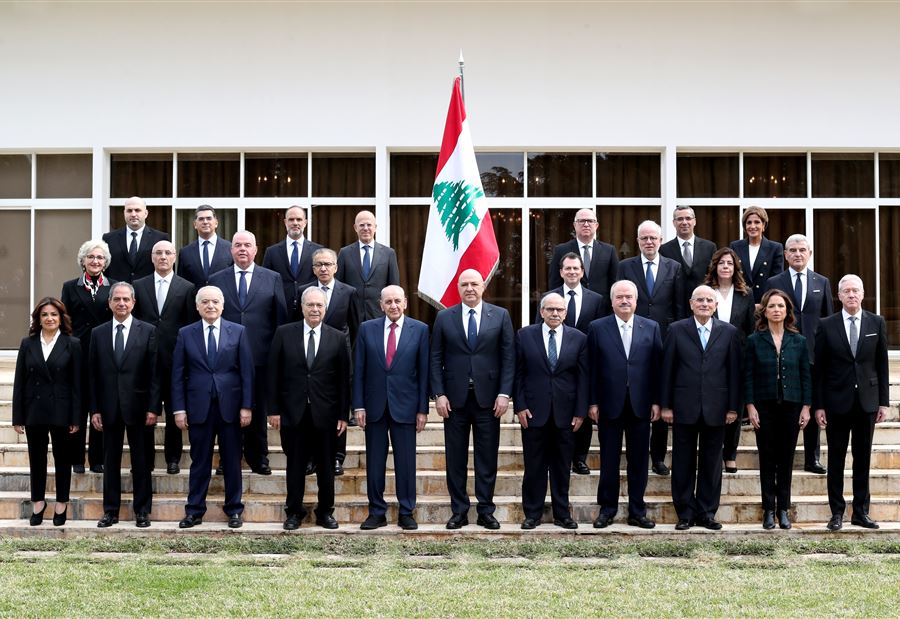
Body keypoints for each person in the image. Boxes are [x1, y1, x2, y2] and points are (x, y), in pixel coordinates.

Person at [430, 270, 515, 530]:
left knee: (486, 458)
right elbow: (435, 358)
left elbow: (508, 357)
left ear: (483, 286)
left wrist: (504, 393)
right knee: (455, 459)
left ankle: (486, 510)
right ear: (458, 288)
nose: (469, 288)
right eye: (464, 284)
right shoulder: (444, 317)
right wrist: (439, 394)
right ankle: (459, 511)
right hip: (453, 401)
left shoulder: (500, 316)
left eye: (474, 284)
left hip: (488, 400)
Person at [267, 287, 350, 530]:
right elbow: (273, 374)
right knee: (295, 465)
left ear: (325, 308)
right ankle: (294, 512)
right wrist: (273, 410)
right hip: (293, 413)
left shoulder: (337, 337)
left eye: (319, 305)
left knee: (326, 467)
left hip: (326, 414)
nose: (315, 309)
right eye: (310, 305)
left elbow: (344, 380)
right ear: (302, 307)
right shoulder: (284, 333)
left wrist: (343, 415)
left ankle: (325, 512)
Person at [172, 286, 254, 529]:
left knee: (232, 461)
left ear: (223, 305)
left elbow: (247, 372)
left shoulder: (238, 331)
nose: (210, 306)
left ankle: (234, 510)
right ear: (197, 307)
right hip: (198, 408)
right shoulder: (185, 334)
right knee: (199, 462)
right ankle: (194, 511)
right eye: (205, 302)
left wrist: (247, 406)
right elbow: (178, 375)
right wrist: (179, 409)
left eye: (215, 301)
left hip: (231, 408)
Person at [660, 285, 741, 530]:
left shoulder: (729, 332)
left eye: (709, 300)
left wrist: (733, 408)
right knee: (682, 461)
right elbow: (667, 369)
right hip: (684, 407)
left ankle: (707, 513)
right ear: (691, 303)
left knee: (712, 463)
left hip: (717, 408)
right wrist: (666, 406)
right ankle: (685, 513)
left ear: (716, 305)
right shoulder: (676, 330)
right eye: (700, 300)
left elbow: (734, 372)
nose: (704, 304)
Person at [208, 230, 287, 475]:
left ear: (256, 249)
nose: (242, 249)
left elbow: (280, 320)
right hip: (225, 357)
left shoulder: (272, 278)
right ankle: (227, 458)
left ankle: (258, 457)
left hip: (260, 356)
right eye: (238, 245)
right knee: (227, 409)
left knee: (258, 408)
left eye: (247, 245)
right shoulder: (216, 279)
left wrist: (277, 355)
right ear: (231, 250)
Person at [814, 275, 889, 531]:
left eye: (855, 290)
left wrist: (883, 402)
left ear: (863, 293)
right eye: (846, 291)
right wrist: (819, 405)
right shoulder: (826, 325)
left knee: (863, 458)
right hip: (836, 402)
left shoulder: (876, 322)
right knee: (836, 459)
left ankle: (860, 512)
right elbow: (820, 369)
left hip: (867, 402)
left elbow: (882, 365)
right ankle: (836, 512)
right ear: (839, 296)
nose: (851, 295)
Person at [587, 280, 662, 529]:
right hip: (608, 404)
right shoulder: (597, 328)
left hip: (641, 404)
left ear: (636, 301)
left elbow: (657, 368)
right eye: (619, 297)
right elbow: (591, 368)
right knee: (609, 460)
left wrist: (657, 401)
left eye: (629, 297)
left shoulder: (651, 327)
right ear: (612, 301)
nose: (624, 301)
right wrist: (592, 401)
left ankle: (637, 511)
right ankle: (607, 509)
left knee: (639, 461)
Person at [353, 285, 429, 530]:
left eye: (397, 301)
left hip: (406, 407)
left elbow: (424, 373)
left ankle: (406, 511)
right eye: (388, 302)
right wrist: (358, 405)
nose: (393, 305)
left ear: (405, 302)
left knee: (405, 463)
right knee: (375, 462)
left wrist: (422, 409)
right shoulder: (367, 329)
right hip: (374, 406)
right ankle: (377, 512)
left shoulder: (420, 330)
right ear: (381, 305)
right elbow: (359, 370)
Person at [89, 282, 161, 528]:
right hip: (108, 407)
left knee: (141, 462)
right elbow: (93, 375)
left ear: (133, 303)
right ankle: (110, 511)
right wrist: (94, 409)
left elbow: (155, 373)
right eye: (117, 299)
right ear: (109, 303)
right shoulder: (98, 333)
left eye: (126, 299)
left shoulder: (148, 331)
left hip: (139, 408)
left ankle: (142, 511)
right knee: (110, 462)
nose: (121, 303)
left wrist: (153, 407)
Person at [617, 219, 685, 476]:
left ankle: (657, 457)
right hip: (631, 340)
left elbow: (679, 306)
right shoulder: (625, 266)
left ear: (660, 240)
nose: (649, 242)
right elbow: (618, 301)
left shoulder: (674, 267)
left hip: (663, 341)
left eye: (653, 238)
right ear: (638, 241)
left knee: (660, 395)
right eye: (644, 238)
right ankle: (629, 454)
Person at [514, 293, 587, 530]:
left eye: (559, 310)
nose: (555, 313)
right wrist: (520, 406)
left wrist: (580, 411)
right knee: (534, 466)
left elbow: (583, 378)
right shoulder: (524, 335)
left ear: (565, 313)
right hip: (533, 412)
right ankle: (532, 514)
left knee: (562, 467)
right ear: (542, 312)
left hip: (566, 414)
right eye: (550, 309)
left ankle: (562, 514)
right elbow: (518, 374)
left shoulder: (579, 338)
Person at [764, 233, 833, 475]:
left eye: (802, 250)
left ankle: (812, 458)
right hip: (783, 354)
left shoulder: (822, 282)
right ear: (785, 255)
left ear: (810, 253)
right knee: (785, 407)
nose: (797, 254)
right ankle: (781, 457)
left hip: (814, 355)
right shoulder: (774, 281)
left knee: (812, 405)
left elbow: (828, 321)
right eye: (792, 250)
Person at [744, 289, 811, 530]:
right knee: (767, 458)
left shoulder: (799, 341)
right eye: (771, 306)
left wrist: (806, 407)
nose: (776, 310)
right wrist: (750, 406)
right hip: (764, 406)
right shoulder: (754, 340)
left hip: (792, 406)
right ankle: (768, 510)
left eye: (780, 306)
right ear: (764, 311)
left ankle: (783, 509)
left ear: (787, 311)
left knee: (786, 459)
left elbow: (806, 375)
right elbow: (748, 375)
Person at [535, 252, 606, 474]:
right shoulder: (549, 298)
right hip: (556, 362)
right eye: (568, 268)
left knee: (582, 405)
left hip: (585, 361)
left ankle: (580, 457)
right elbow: (538, 329)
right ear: (561, 272)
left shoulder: (596, 299)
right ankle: (557, 455)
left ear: (582, 272)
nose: (572, 272)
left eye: (576, 268)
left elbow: (600, 331)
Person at [12, 298, 81, 526]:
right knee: (37, 460)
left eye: (54, 314)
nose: (49, 318)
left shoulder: (72, 344)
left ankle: (61, 503)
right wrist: (18, 416)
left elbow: (77, 385)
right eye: (44, 315)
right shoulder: (27, 343)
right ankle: (38, 503)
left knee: (63, 460)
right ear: (38, 319)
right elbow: (20, 382)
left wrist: (76, 417)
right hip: (34, 410)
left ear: (61, 318)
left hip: (62, 411)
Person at [133, 240, 198, 474]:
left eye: (168, 253)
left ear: (174, 258)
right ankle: (146, 460)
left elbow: (190, 325)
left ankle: (173, 458)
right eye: (158, 253)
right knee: (145, 411)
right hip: (144, 359)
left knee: (173, 409)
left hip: (174, 359)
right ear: (152, 258)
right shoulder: (138, 286)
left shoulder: (187, 287)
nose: (163, 257)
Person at [299, 247, 360, 476]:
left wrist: (349, 356)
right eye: (319, 265)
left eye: (328, 264)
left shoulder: (349, 292)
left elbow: (355, 326)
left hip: (338, 360)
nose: (323, 268)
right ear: (313, 268)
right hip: (310, 360)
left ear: (336, 267)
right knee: (310, 409)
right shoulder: (304, 291)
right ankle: (311, 457)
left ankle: (336, 456)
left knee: (338, 409)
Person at [61, 240, 114, 474]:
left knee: (100, 405)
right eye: (91, 257)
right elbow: (64, 321)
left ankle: (97, 458)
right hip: (78, 352)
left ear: (106, 262)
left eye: (100, 257)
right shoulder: (70, 286)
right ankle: (76, 459)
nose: (95, 261)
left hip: (104, 352)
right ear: (82, 261)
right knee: (79, 406)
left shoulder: (114, 287)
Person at [703, 247, 756, 474]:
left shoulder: (746, 293)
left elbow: (750, 328)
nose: (725, 267)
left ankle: (730, 454)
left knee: (735, 404)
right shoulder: (706, 291)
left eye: (730, 263)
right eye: (722, 263)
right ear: (715, 266)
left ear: (736, 268)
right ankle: (714, 452)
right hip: (710, 355)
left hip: (738, 356)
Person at [336, 210, 400, 321]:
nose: (365, 228)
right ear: (355, 228)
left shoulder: (388, 253)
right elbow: (339, 286)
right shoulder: (345, 253)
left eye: (369, 225)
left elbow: (394, 286)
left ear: (375, 227)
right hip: (352, 315)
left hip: (379, 314)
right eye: (361, 225)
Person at [262, 205, 323, 316]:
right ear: (285, 222)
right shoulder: (272, 252)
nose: (295, 223)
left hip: (309, 311)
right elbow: (266, 283)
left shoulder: (318, 250)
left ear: (305, 222)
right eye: (291, 219)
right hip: (280, 311)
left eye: (299, 219)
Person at [547, 208, 619, 303]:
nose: (586, 224)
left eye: (590, 221)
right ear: (574, 225)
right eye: (581, 221)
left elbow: (615, 283)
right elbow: (554, 282)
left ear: (596, 225)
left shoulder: (609, 251)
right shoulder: (561, 250)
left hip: (601, 306)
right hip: (571, 305)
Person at [659, 206, 717, 311]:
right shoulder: (664, 250)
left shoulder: (709, 247)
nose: (684, 222)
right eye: (680, 219)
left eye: (688, 218)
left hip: (703, 306)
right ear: (674, 223)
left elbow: (714, 277)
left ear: (694, 221)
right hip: (675, 307)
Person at [102, 196, 170, 283]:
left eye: (137, 210)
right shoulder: (109, 239)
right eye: (129, 210)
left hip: (147, 290)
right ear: (124, 213)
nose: (133, 214)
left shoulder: (160, 238)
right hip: (117, 290)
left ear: (146, 213)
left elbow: (166, 268)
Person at [729, 206, 784, 305]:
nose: (752, 226)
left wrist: (767, 303)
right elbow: (731, 276)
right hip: (740, 301)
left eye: (757, 222)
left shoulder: (775, 248)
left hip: (764, 303)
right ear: (745, 226)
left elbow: (777, 280)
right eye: (749, 222)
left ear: (764, 225)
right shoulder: (735, 246)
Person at [177, 205, 233, 288]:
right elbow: (181, 284)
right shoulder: (185, 253)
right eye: (201, 219)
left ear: (216, 223)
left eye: (209, 218)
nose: (205, 222)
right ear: (195, 224)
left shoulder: (230, 248)